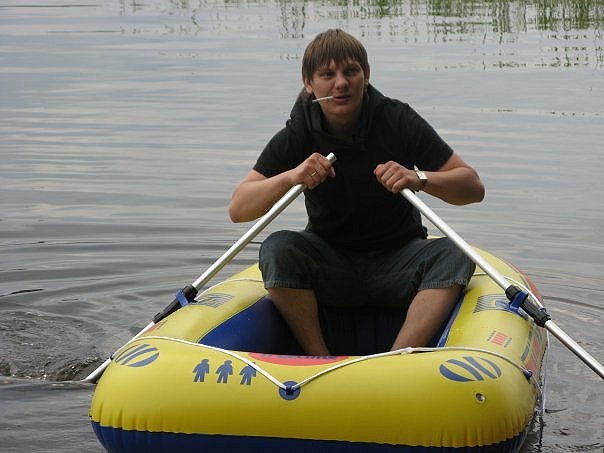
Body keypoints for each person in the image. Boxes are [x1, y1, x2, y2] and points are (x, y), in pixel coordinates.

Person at [229, 29, 484, 356]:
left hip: (400, 261)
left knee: (455, 252)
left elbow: (472, 187)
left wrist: (417, 177)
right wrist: (293, 176)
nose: (341, 83)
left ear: (367, 75)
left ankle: (394, 361)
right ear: (309, 83)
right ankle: (319, 360)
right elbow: (239, 208)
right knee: (278, 248)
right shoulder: (299, 132)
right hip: (329, 263)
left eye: (351, 71)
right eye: (327, 75)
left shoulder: (397, 120)